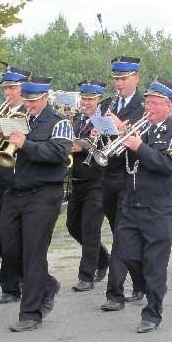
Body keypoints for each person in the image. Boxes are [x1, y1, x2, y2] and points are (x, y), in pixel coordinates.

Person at [110, 78, 172, 332]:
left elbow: (170, 166)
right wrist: (119, 136)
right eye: (147, 103)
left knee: (155, 263)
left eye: (154, 104)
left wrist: (140, 147)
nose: (149, 108)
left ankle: (152, 313)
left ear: (167, 106)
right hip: (132, 204)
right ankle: (144, 286)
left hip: (159, 207)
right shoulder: (139, 130)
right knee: (127, 254)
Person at [0, 75, 73, 332]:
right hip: (15, 191)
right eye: (27, 99)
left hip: (44, 193)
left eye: (33, 100)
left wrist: (26, 144)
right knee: (8, 248)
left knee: (34, 251)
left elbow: (58, 153)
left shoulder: (59, 123)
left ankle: (30, 313)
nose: (28, 104)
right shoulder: (17, 118)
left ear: (44, 98)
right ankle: (46, 284)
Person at [100, 56, 147, 311]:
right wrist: (97, 132)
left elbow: (144, 140)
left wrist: (120, 128)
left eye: (123, 79)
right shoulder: (107, 104)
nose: (118, 84)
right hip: (108, 175)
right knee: (122, 234)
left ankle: (114, 293)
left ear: (135, 78)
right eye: (116, 79)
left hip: (131, 176)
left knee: (121, 236)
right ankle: (140, 282)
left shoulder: (144, 106)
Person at [0, 67, 29, 304]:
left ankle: (12, 286)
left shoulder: (25, 114)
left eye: (12, 88)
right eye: (5, 88)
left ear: (23, 89)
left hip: (17, 181)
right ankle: (25, 275)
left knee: (10, 236)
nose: (7, 92)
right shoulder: (1, 113)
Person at [67, 79, 109, 292]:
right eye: (83, 98)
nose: (85, 102)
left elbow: (109, 147)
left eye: (90, 99)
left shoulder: (103, 119)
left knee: (90, 229)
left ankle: (87, 276)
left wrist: (91, 142)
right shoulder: (76, 117)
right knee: (72, 226)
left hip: (97, 181)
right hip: (77, 180)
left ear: (99, 99)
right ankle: (102, 257)